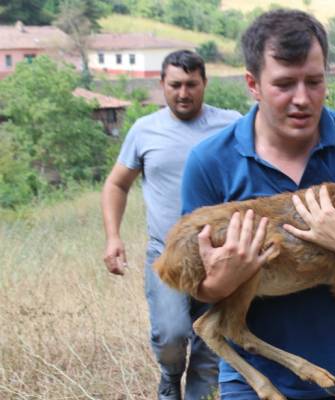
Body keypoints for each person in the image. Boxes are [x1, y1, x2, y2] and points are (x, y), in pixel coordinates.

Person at [181, 9, 335, 400]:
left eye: (314, 82)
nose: (302, 99)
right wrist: (223, 278)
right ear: (253, 84)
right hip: (255, 388)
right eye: (284, 84)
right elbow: (196, 288)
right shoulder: (211, 161)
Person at [101, 50, 241, 400]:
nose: (183, 93)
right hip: (167, 255)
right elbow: (117, 184)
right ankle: (170, 377)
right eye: (175, 84)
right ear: (161, 85)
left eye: (191, 84)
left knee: (211, 347)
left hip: (221, 256)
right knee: (172, 336)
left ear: (204, 84)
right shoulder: (144, 130)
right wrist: (113, 237)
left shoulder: (232, 125)